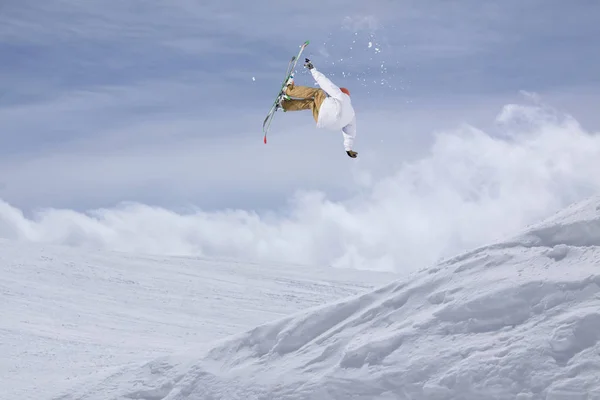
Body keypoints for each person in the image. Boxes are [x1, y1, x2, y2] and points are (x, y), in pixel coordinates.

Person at [276, 58, 358, 158]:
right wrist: (348, 149)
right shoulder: (352, 113)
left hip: (328, 111)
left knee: (318, 92)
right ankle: (283, 104)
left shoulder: (340, 95)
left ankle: (289, 89)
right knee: (311, 103)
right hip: (322, 121)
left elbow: (326, 84)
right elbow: (350, 132)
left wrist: (313, 69)